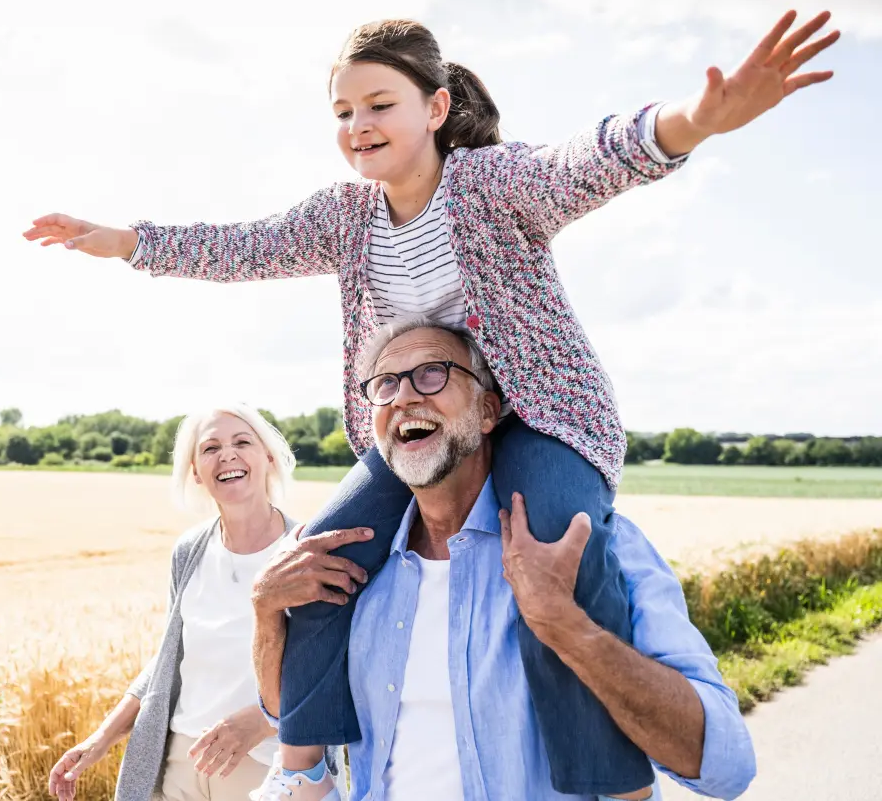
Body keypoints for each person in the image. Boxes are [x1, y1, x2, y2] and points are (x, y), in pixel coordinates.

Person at [24, 11, 835, 797]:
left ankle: (609, 785)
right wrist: (125, 241)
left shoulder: (489, 184)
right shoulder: (345, 218)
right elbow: (245, 245)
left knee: (555, 556)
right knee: (314, 561)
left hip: (542, 420)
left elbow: (586, 162)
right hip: (421, 422)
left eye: (380, 105)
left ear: (436, 107)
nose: (358, 125)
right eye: (343, 111)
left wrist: (694, 118)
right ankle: (304, 768)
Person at [250, 317, 757, 801]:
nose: (404, 396)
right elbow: (284, 715)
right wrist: (266, 614)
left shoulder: (587, 545)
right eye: (385, 384)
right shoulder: (350, 569)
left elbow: (725, 766)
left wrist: (566, 626)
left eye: (432, 374)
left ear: (489, 411)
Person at [48, 405, 300, 801]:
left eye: (242, 442)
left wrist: (263, 720)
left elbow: (334, 670)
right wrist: (101, 739)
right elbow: (168, 658)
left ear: (269, 457)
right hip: (181, 763)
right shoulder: (190, 551)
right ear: (197, 472)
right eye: (210, 447)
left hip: (268, 765)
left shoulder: (304, 552)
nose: (227, 455)